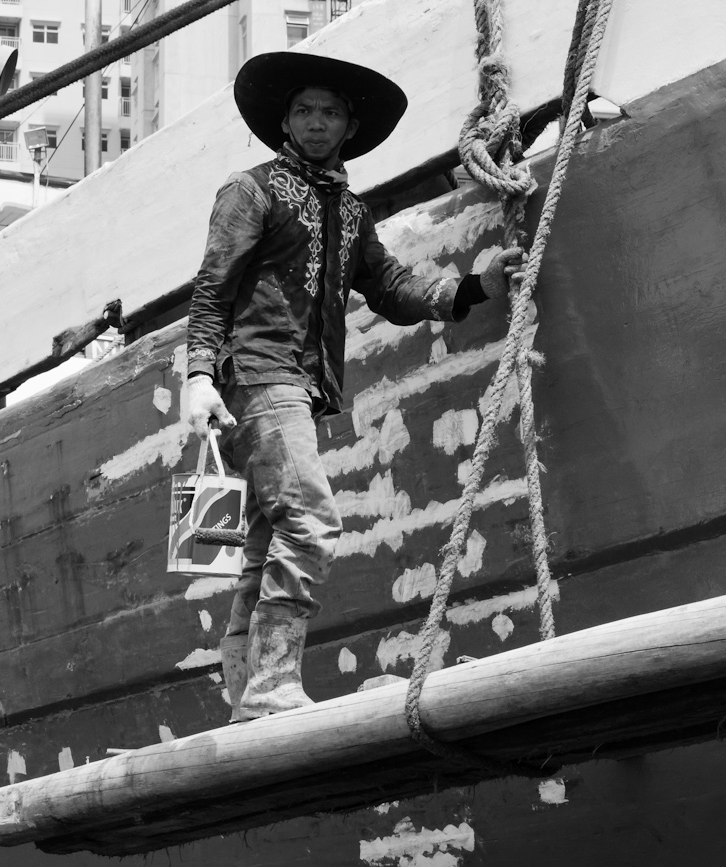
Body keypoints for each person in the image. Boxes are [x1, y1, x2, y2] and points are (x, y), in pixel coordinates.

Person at [184, 52, 522, 722]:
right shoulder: (250, 190)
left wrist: (474, 285)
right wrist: (198, 377)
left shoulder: (351, 211)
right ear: (284, 119)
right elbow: (210, 290)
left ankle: (246, 698)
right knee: (310, 520)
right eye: (304, 111)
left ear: (349, 125)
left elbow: (392, 287)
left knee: (265, 540)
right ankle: (273, 685)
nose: (315, 123)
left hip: (296, 387)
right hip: (256, 373)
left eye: (328, 112)